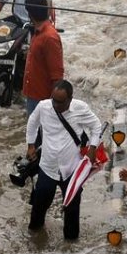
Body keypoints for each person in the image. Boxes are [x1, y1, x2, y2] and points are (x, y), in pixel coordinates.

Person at [23, 80, 105, 240]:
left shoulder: (80, 108)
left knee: (72, 210)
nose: (55, 105)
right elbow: (32, 123)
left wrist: (93, 148)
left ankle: (71, 246)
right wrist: (30, 146)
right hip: (48, 167)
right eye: (53, 100)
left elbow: (96, 126)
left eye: (60, 102)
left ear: (70, 99)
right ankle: (34, 238)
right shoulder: (43, 107)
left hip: (71, 169)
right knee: (39, 206)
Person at [20, 0, 63, 113]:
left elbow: (57, 75)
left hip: (43, 100)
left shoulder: (49, 37)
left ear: (30, 14)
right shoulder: (38, 32)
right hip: (33, 95)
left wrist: (53, 106)